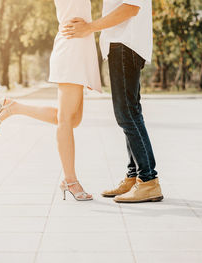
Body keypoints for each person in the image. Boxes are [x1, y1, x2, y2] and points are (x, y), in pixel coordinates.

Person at [0, 0, 101, 201]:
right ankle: (70, 180)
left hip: (79, 45)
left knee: (72, 120)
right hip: (72, 47)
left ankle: (14, 107)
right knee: (66, 119)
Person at [62, 0, 163, 203]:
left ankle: (148, 180)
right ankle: (134, 175)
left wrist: (89, 27)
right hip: (122, 44)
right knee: (130, 112)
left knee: (126, 114)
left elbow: (131, 7)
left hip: (126, 44)